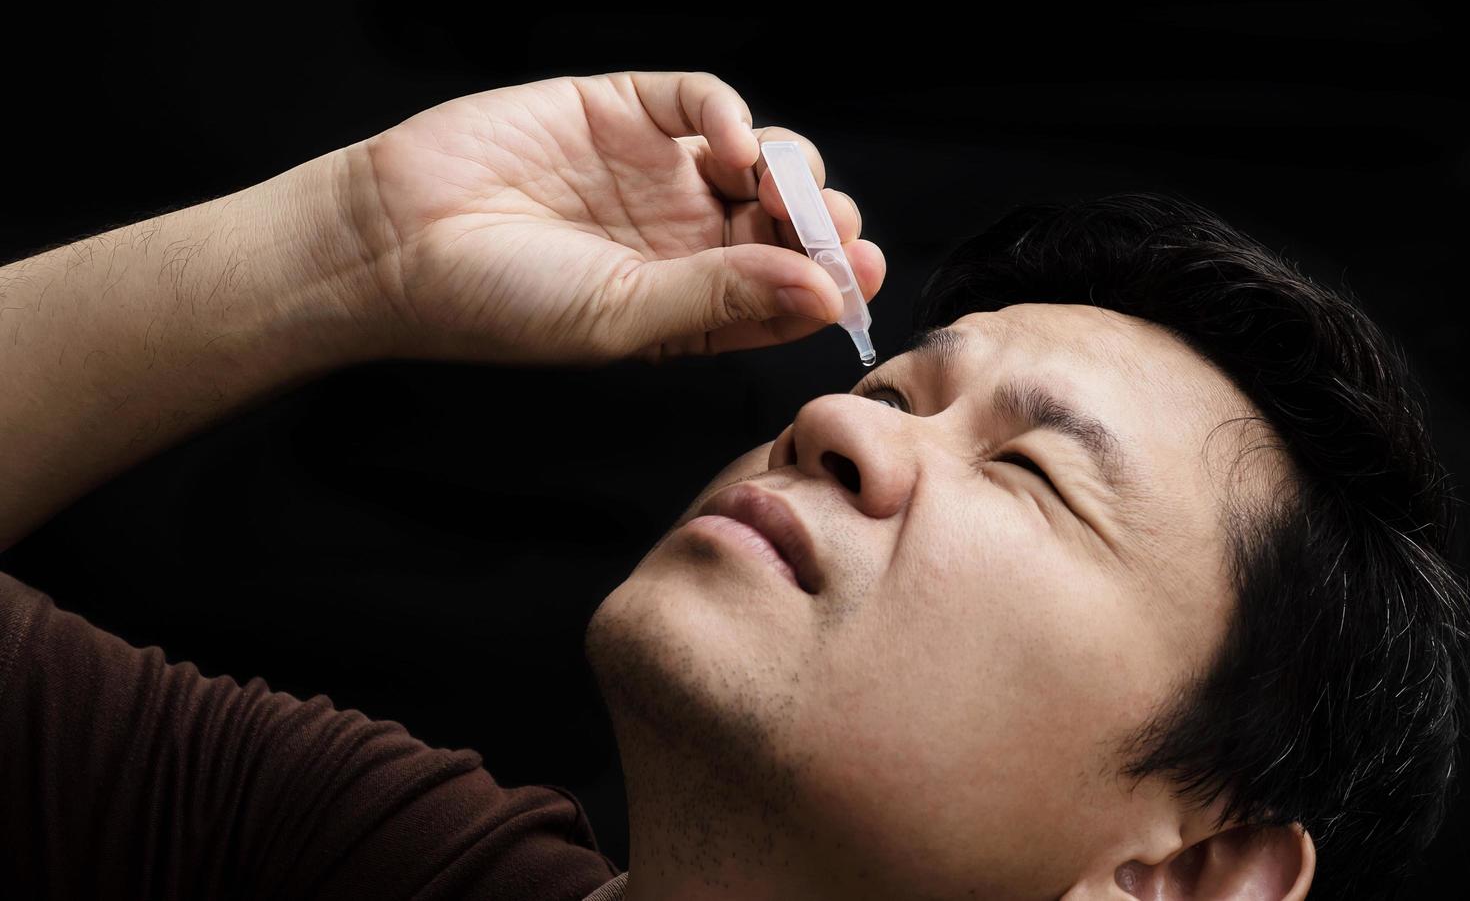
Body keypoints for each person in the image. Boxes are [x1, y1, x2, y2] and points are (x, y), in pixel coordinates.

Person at [0, 70, 1462, 900]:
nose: (841, 430)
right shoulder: (356, 859)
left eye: (1028, 476)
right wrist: (348, 246)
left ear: (1184, 879)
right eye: (891, 387)